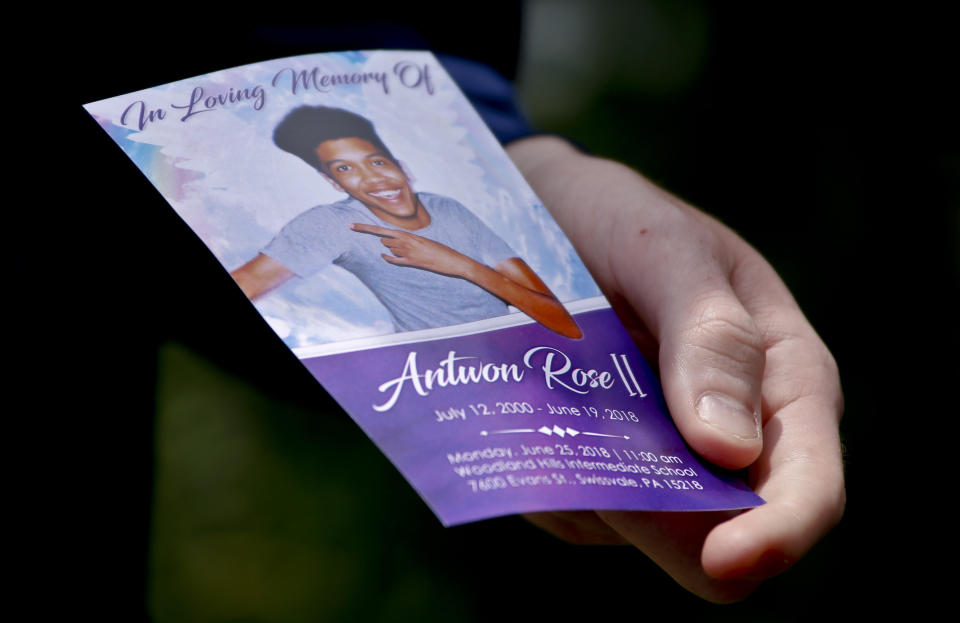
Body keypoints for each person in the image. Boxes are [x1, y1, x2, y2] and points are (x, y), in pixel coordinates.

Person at [230, 105, 583, 339]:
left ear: (403, 167)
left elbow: (563, 322)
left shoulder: (449, 210)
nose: (373, 180)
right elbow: (249, 283)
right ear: (334, 184)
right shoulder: (336, 224)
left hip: (520, 364)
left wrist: (459, 264)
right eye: (345, 169)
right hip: (435, 377)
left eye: (378, 162)